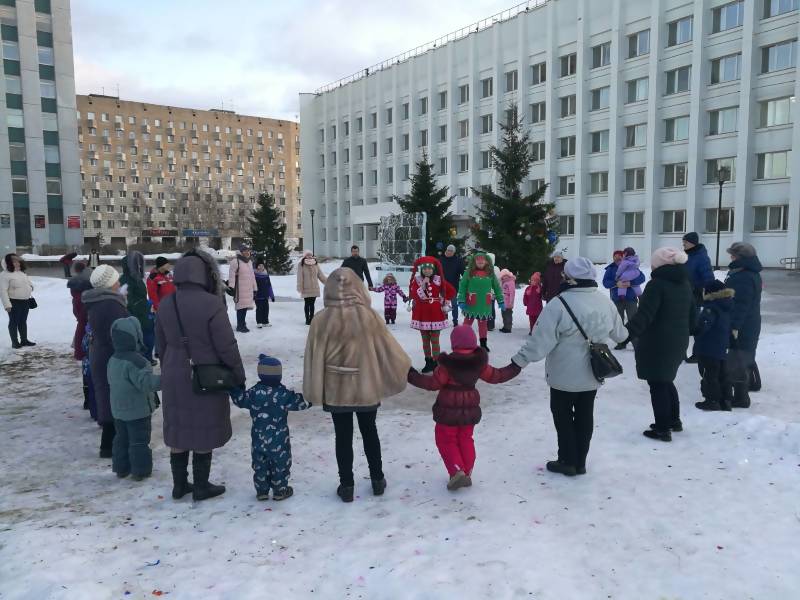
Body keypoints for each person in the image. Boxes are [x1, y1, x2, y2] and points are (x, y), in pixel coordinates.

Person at [511, 257, 628, 476]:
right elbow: (621, 335)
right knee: (585, 416)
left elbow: (540, 342)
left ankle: (567, 461)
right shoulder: (605, 302)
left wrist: (518, 361)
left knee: (563, 417)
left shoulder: (559, 304)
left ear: (569, 278)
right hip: (592, 374)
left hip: (563, 376)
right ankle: (580, 462)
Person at [303, 267, 411, 503]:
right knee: (370, 432)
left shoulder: (320, 320)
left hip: (336, 389)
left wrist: (313, 389)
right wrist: (405, 369)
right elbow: (388, 349)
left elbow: (313, 358)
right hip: (365, 387)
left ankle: (347, 485)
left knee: (342, 437)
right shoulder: (369, 317)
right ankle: (377, 480)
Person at [156, 249, 245, 502]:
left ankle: (179, 485)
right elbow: (226, 345)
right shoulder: (211, 304)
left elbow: (160, 343)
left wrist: (169, 366)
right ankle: (202, 486)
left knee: (178, 427)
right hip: (206, 374)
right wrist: (237, 374)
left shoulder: (167, 303)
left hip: (174, 370)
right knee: (203, 427)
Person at [408, 325, 521, 490]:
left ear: (454, 343)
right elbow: (497, 376)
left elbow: (432, 383)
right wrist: (516, 367)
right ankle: (466, 471)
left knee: (446, 439)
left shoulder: (447, 365)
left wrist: (411, 375)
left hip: (448, 410)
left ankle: (457, 472)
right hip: (469, 409)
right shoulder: (479, 363)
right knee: (466, 438)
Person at [626, 248, 695, 442]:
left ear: (659, 265)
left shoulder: (656, 285)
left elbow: (644, 315)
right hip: (678, 340)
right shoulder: (684, 283)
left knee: (657, 383)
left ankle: (663, 429)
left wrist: (624, 334)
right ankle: (673, 421)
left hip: (658, 342)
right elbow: (693, 315)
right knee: (666, 380)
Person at [230, 354, 311, 501]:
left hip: (258, 439)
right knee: (280, 464)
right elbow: (301, 403)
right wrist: (314, 397)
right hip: (279, 440)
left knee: (259, 464)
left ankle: (262, 491)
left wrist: (234, 388)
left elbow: (240, 399)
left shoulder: (253, 393)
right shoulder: (284, 395)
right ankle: (280, 490)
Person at [82, 264, 129, 457]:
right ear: (110, 283)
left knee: (107, 396)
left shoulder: (100, 301)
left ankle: (109, 444)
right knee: (114, 397)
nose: (119, 282)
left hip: (101, 354)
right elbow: (118, 334)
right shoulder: (110, 304)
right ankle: (110, 445)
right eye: (116, 279)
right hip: (111, 355)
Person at [107, 316, 161, 480]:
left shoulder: (113, 359)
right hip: (137, 411)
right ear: (136, 336)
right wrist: (166, 380)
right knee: (139, 441)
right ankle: (140, 470)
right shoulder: (137, 362)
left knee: (121, 439)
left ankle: (121, 468)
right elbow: (146, 384)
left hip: (118, 409)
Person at [724, 242, 763, 408]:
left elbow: (741, 305)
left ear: (741, 257)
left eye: (733, 255)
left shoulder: (743, 276)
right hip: (750, 323)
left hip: (743, 325)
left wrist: (734, 327)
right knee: (745, 356)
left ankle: (741, 398)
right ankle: (751, 384)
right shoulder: (748, 273)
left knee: (738, 359)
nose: (731, 257)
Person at [409, 256, 456, 373]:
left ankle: (436, 363)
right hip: (422, 313)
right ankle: (428, 362)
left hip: (436, 314)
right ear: (422, 270)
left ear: (433, 269)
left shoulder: (438, 279)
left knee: (435, 340)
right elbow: (414, 294)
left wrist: (445, 300)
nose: (427, 271)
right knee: (425, 340)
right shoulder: (417, 280)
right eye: (425, 269)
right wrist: (423, 285)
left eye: (429, 269)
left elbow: (451, 291)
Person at [693, 280, 734, 412]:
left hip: (709, 347)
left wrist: (695, 329)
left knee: (710, 375)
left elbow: (704, 325)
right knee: (723, 374)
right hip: (722, 347)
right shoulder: (726, 306)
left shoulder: (711, 307)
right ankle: (726, 400)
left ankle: (712, 400)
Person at [457, 252, 504, 352]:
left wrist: (501, 300)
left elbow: (496, 287)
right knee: (466, 325)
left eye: (482, 260)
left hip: (484, 305)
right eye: (478, 260)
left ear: (486, 261)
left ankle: (483, 345)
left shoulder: (490, 273)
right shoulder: (469, 272)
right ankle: (462, 342)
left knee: (483, 326)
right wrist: (461, 299)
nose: (480, 261)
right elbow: (463, 286)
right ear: (474, 261)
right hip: (471, 304)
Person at [602, 249, 646, 350]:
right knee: (619, 323)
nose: (617, 258)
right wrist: (616, 283)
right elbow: (605, 282)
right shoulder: (610, 269)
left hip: (631, 299)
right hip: (617, 299)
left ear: (623, 257)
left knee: (633, 321)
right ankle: (621, 343)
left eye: (619, 256)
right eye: (615, 256)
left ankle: (636, 344)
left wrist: (631, 283)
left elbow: (642, 278)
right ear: (613, 258)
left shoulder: (631, 265)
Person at [120, 251, 155, 362]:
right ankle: (144, 358)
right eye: (137, 264)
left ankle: (147, 357)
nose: (140, 266)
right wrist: (144, 306)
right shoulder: (127, 280)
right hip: (137, 315)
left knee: (148, 335)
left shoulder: (136, 278)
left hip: (143, 313)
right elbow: (128, 300)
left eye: (140, 263)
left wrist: (147, 304)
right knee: (144, 336)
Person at [1, 254, 35, 349]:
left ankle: (24, 340)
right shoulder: (4, 275)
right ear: (8, 263)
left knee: (23, 321)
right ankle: (15, 342)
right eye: (14, 261)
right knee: (14, 322)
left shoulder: (21, 272)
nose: (17, 263)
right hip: (14, 302)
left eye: (18, 261)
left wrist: (31, 287)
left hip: (25, 301)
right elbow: (3, 291)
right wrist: (7, 305)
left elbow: (28, 283)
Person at [228, 243, 257, 333]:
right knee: (240, 308)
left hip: (248, 289)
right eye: (245, 250)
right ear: (240, 252)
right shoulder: (235, 261)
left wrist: (255, 288)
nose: (247, 252)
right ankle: (240, 325)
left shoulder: (249, 262)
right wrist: (231, 287)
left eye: (248, 250)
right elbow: (232, 276)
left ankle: (242, 323)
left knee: (244, 308)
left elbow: (252, 276)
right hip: (239, 289)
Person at [67, 261, 92, 361]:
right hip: (86, 306)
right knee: (84, 328)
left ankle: (78, 351)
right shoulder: (89, 277)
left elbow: (75, 296)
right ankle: (81, 351)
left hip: (77, 306)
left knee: (81, 328)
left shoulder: (74, 280)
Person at [682, 233, 715, 304]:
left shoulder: (702, 258)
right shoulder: (688, 256)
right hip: (686, 294)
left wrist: (708, 296)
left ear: (693, 243)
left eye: (686, 242)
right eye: (683, 242)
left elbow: (709, 278)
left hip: (696, 296)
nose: (683, 244)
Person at [296, 250, 327, 325]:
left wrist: (327, 282)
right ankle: (307, 319)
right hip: (305, 288)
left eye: (310, 255)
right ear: (305, 256)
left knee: (312, 304)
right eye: (308, 255)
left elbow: (320, 275)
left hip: (314, 288)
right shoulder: (301, 264)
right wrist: (300, 286)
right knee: (307, 304)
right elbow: (300, 277)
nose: (309, 256)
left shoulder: (315, 264)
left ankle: (311, 319)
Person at [440, 244, 465, 326]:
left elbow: (463, 272)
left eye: (451, 251)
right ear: (446, 250)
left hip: (453, 286)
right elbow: (436, 271)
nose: (449, 252)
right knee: (443, 303)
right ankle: (444, 319)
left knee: (454, 304)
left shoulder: (458, 261)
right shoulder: (441, 259)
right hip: (442, 286)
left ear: (454, 252)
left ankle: (455, 321)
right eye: (448, 250)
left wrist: (466, 279)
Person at [254, 262, 275, 328]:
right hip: (258, 296)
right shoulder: (254, 275)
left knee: (266, 309)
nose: (261, 267)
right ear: (257, 267)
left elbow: (269, 286)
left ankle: (265, 322)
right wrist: (253, 294)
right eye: (259, 265)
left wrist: (272, 296)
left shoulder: (266, 275)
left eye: (262, 266)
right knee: (259, 309)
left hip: (265, 296)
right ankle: (259, 322)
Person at [498, 269, 516, 333]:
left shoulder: (510, 282)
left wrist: (511, 302)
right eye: (502, 276)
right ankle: (505, 326)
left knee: (508, 315)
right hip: (504, 302)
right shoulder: (504, 282)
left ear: (507, 275)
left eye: (504, 276)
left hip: (508, 303)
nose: (503, 278)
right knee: (504, 314)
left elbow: (512, 293)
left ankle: (508, 328)